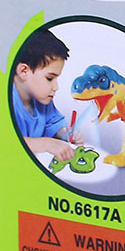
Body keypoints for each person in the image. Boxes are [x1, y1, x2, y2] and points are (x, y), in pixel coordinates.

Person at [11, 29, 81, 162]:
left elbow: (53, 125)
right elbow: (6, 141)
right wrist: (47, 144)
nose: (56, 87)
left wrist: (65, 134)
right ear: (24, 71)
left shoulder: (43, 100)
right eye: (50, 78)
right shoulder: (3, 101)